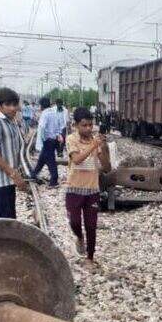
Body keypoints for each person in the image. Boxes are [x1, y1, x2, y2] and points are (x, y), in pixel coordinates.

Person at [65, 107, 111, 263]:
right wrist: (93, 146)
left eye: (90, 125)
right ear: (76, 125)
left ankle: (90, 258)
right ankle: (79, 237)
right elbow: (77, 160)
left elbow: (107, 168)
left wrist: (104, 148)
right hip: (74, 189)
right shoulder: (71, 139)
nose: (88, 128)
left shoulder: (96, 141)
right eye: (84, 125)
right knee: (75, 222)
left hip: (92, 189)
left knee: (91, 225)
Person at [0, 87, 28, 218]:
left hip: (7, 179)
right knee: (3, 220)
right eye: (8, 104)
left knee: (7, 217)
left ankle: (1, 239)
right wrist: (14, 174)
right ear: (0, 106)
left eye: (15, 104)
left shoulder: (11, 122)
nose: (12, 108)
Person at [31, 97, 63, 188]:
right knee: (42, 158)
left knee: (50, 161)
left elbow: (41, 127)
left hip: (47, 141)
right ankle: (33, 174)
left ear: (41, 106)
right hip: (53, 140)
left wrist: (42, 140)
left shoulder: (45, 114)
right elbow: (58, 126)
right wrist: (57, 135)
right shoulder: (54, 112)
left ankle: (54, 181)